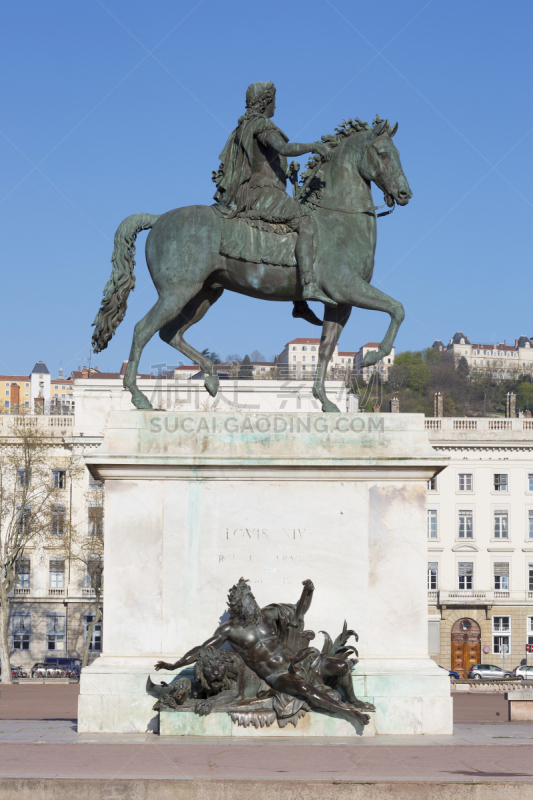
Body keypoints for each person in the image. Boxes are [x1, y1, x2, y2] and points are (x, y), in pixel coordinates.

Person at [155, 578, 374, 726]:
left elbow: (300, 611)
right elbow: (202, 649)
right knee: (304, 688)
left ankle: (353, 700)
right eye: (244, 601)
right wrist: (175, 665)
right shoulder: (231, 630)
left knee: (342, 666)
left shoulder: (269, 614)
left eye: (250, 598)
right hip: (278, 675)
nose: (250, 604)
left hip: (301, 661)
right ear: (237, 606)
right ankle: (348, 712)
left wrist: (309, 590)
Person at [212, 81, 336, 311]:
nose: (276, 107)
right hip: (262, 194)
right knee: (307, 223)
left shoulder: (243, 127)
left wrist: (288, 175)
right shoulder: (260, 124)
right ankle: (308, 286)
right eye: (274, 101)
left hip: (258, 191)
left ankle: (299, 303)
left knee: (295, 229)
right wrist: (314, 146)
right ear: (266, 101)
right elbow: (283, 148)